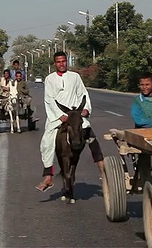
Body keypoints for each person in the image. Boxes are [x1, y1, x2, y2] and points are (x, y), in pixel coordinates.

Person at [35, 51, 104, 192]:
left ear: (67, 62)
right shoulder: (50, 79)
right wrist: (60, 115)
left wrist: (86, 110)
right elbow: (49, 100)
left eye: (64, 61)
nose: (62, 64)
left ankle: (103, 171)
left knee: (91, 137)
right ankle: (48, 176)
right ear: (55, 63)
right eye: (58, 62)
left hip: (75, 115)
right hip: (58, 117)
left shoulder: (75, 77)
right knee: (47, 142)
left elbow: (83, 94)